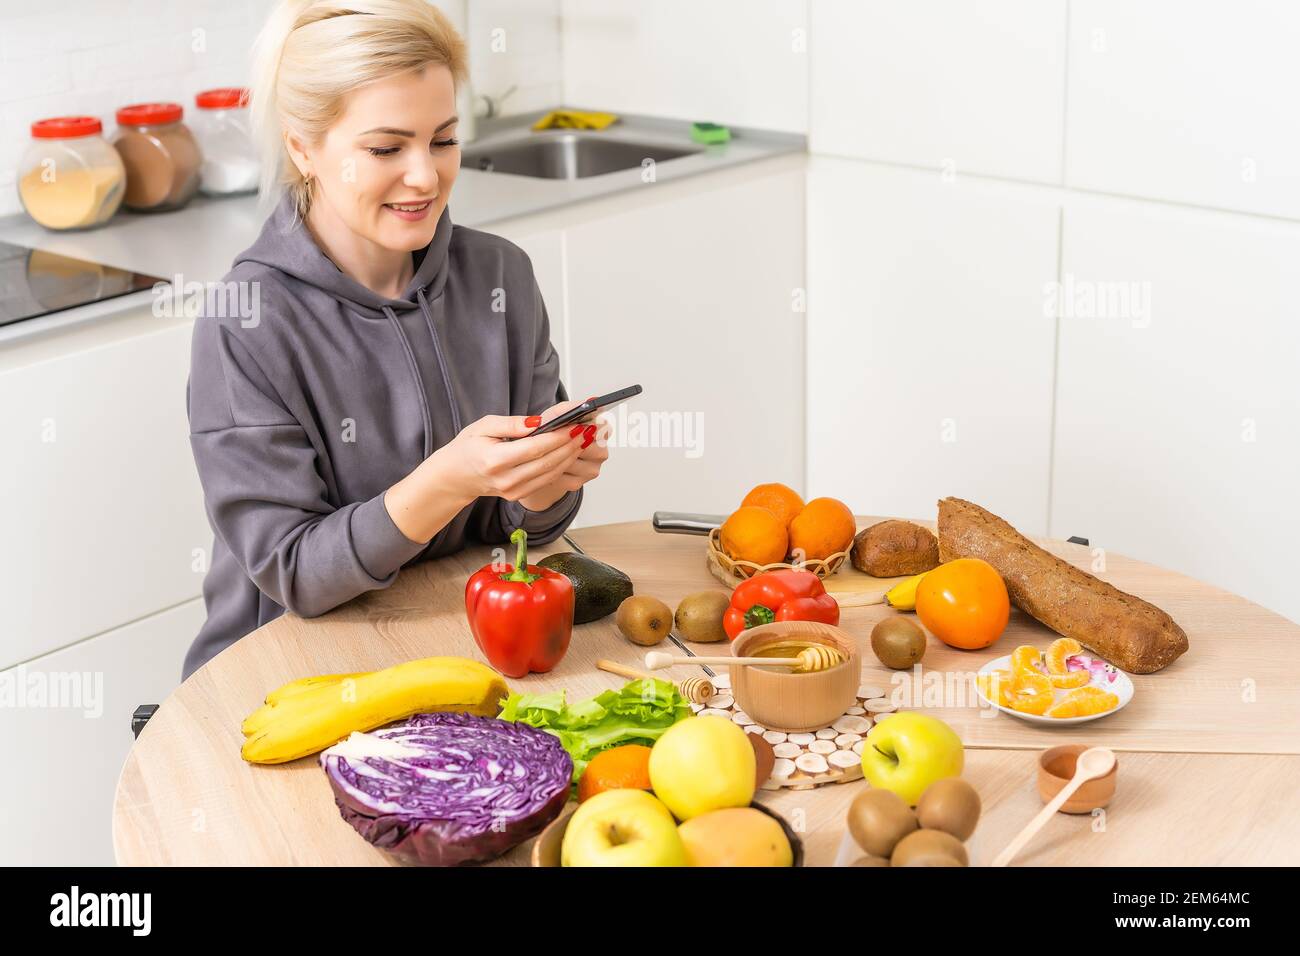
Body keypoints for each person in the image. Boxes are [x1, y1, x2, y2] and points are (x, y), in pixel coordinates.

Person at [182, 0, 606, 678]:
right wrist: (447, 480)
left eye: (443, 140)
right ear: (302, 146)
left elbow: (520, 536)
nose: (426, 176)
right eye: (386, 148)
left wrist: (540, 488)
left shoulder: (500, 276)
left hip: (457, 647)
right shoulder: (246, 323)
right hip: (284, 676)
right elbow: (296, 573)